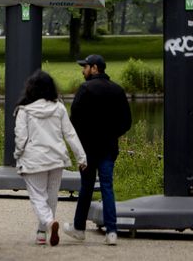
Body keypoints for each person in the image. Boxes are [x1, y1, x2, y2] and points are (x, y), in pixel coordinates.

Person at [63, 54, 132, 246]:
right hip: (108, 148)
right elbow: (127, 121)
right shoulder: (118, 90)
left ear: (94, 68)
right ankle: (111, 231)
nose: (82, 70)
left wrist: (82, 137)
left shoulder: (85, 89)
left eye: (85, 67)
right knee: (107, 187)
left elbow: (73, 119)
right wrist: (112, 134)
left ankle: (79, 228)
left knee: (86, 186)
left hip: (88, 149)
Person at [13, 70, 87, 246]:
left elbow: (21, 138)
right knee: (51, 197)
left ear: (30, 89)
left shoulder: (24, 110)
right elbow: (70, 134)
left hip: (33, 159)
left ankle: (47, 223)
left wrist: (18, 154)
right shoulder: (59, 108)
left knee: (38, 196)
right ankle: (41, 233)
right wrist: (81, 157)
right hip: (56, 158)